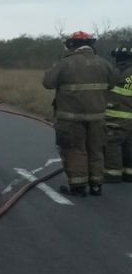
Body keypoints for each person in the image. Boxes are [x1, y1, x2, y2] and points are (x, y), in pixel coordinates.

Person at [42, 31, 117, 197]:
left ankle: (78, 186)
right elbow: (112, 84)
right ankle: (96, 185)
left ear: (71, 45)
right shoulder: (104, 63)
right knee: (96, 149)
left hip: (71, 118)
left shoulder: (65, 63)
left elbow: (47, 83)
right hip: (98, 118)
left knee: (75, 150)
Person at [105, 43, 132, 183]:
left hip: (117, 116)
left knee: (112, 142)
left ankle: (112, 173)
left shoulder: (116, 72)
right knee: (129, 143)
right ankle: (129, 173)